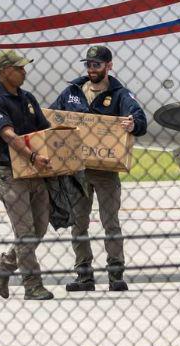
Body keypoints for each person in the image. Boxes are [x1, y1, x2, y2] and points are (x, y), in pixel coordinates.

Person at [51, 45, 147, 293]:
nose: (92, 69)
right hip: (78, 170)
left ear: (108, 66)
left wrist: (132, 123)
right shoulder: (72, 92)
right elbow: (50, 116)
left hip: (105, 171)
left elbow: (140, 120)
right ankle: (84, 276)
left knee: (110, 223)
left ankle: (116, 274)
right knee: (79, 224)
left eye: (97, 65)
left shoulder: (120, 94)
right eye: (89, 65)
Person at [0, 49, 56, 301]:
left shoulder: (27, 98)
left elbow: (44, 130)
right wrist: (34, 156)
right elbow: (8, 135)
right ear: (4, 72)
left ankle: (3, 265)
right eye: (19, 68)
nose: (25, 71)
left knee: (40, 228)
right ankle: (32, 285)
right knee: (25, 232)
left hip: (34, 172)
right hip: (10, 174)